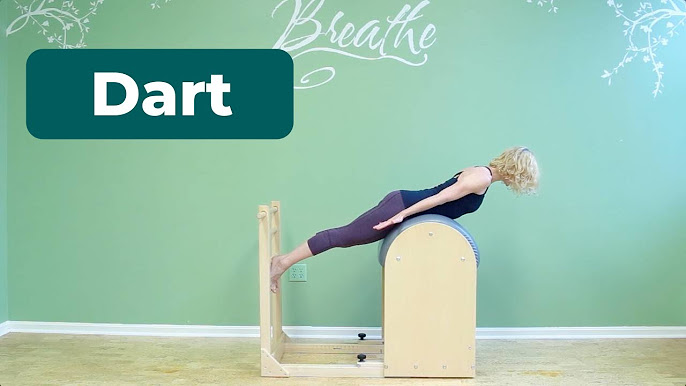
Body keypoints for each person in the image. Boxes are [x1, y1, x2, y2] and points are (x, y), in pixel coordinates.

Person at [269, 146, 540, 292]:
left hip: (403, 204)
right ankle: (282, 263)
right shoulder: (482, 177)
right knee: (345, 236)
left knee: (346, 236)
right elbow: (441, 198)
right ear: (517, 170)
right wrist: (401, 215)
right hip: (402, 205)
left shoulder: (483, 174)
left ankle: (282, 261)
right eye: (524, 176)